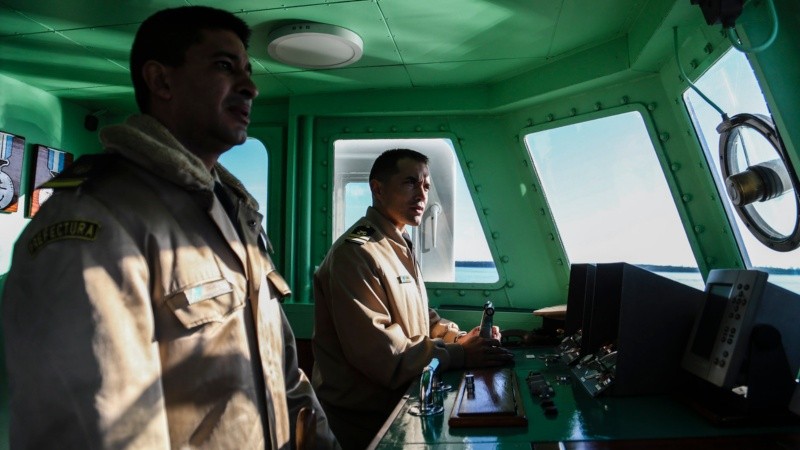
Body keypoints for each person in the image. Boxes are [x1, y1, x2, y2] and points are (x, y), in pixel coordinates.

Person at [1, 6, 337, 449]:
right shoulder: (95, 217)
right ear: (161, 81)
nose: (251, 87)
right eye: (224, 66)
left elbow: (282, 369)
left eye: (248, 71)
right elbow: (100, 428)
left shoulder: (236, 213)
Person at [312, 149, 514, 449]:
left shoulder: (397, 244)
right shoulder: (356, 253)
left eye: (426, 186)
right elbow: (383, 354)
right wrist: (460, 355)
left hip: (400, 404)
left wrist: (461, 339)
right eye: (410, 182)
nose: (422, 195)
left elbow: (422, 318)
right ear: (377, 189)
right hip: (363, 425)